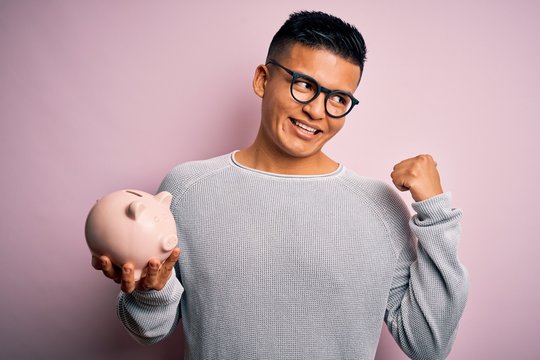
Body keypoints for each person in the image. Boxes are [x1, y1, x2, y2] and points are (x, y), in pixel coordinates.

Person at [92, 10, 468, 359]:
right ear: (263, 79)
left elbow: (428, 344)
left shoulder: (379, 206)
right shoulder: (187, 189)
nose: (317, 111)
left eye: (338, 98)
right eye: (304, 85)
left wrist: (436, 214)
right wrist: (150, 291)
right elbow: (149, 332)